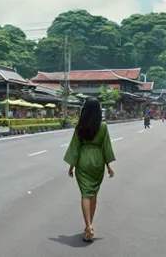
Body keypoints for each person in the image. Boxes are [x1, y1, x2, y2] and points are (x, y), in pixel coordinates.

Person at [64, 98, 116, 242]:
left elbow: (75, 148)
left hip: (83, 161)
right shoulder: (103, 126)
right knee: (93, 193)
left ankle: (88, 225)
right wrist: (109, 167)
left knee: (85, 193)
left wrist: (71, 167)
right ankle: (90, 225)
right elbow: (106, 148)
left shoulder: (79, 126)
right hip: (98, 161)